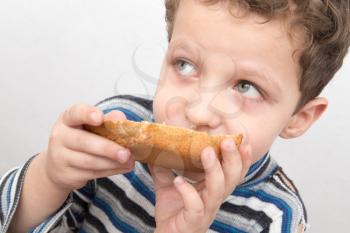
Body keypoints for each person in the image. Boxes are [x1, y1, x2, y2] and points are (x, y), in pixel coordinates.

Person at [1, 0, 349, 232]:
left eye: (245, 87)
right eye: (185, 65)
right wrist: (49, 177)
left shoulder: (276, 216)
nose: (198, 111)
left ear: (298, 118)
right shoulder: (113, 131)